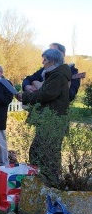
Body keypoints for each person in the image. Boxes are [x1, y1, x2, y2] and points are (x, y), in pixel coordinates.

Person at [17, 48, 71, 186]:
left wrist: (26, 97)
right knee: (38, 152)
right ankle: (44, 182)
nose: (42, 62)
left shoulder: (58, 75)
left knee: (47, 154)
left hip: (53, 122)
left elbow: (46, 95)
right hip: (49, 120)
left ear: (52, 61)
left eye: (45, 60)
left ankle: (50, 185)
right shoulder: (55, 74)